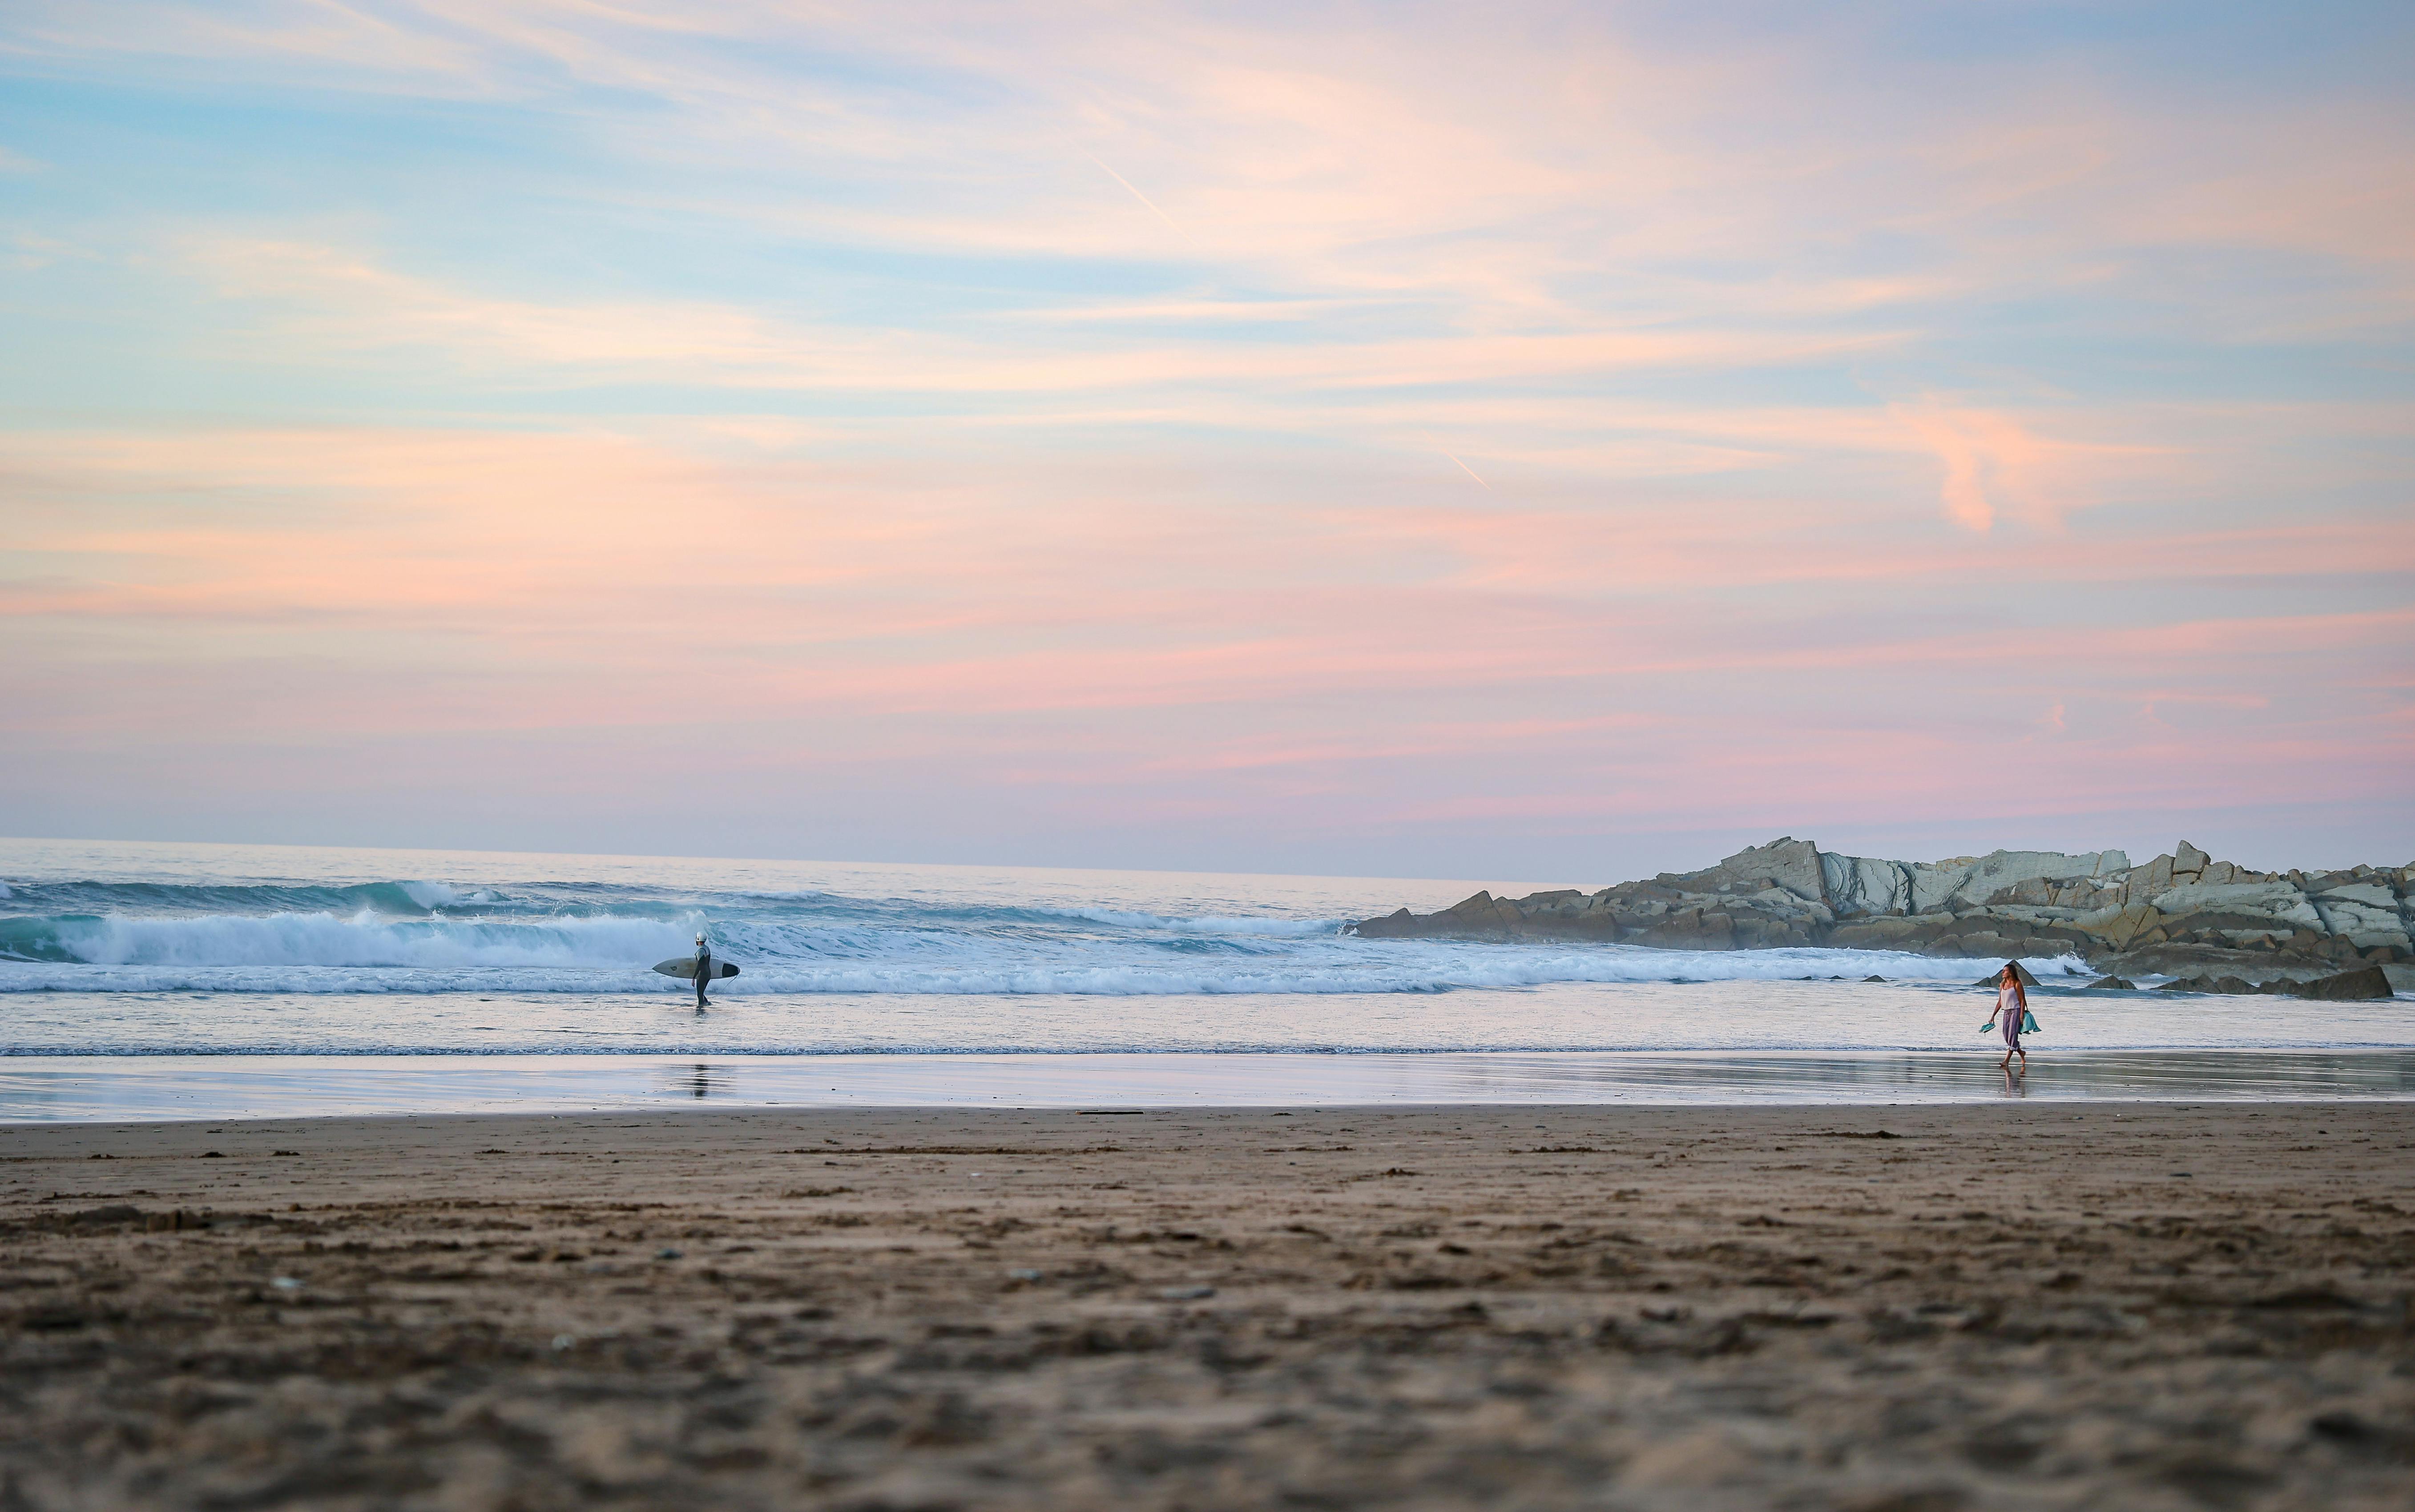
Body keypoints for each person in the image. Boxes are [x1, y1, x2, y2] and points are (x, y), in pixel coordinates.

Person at [1984, 960, 2028, 1071]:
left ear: (2011, 973)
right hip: (2006, 1012)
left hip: (2016, 1011)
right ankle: (2021, 1052)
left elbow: (2022, 1000)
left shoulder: (2017, 984)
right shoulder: (2003, 985)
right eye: (2003, 971)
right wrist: (1993, 1015)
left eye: (2005, 971)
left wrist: (2022, 1016)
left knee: (2012, 1036)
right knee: (2006, 1035)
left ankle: (2006, 1061)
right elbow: (2000, 1001)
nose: (2003, 973)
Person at [692, 931, 713, 1010]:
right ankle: (707, 1005)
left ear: (698, 939)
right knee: (702, 993)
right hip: (708, 974)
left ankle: (701, 1012)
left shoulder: (700, 951)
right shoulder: (707, 949)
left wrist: (694, 977)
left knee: (700, 995)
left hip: (702, 974)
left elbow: (699, 966)